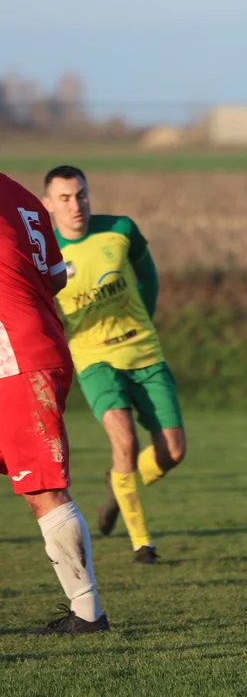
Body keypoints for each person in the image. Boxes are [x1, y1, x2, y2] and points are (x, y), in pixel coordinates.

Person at [42, 166, 185, 565]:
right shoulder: (47, 251)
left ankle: (119, 481)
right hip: (93, 358)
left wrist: (147, 322)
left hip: (144, 352)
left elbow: (148, 277)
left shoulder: (120, 229)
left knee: (173, 451)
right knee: (124, 441)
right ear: (48, 205)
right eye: (66, 198)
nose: (76, 205)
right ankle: (143, 544)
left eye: (82, 195)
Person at [0, 169, 110, 634]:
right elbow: (55, 277)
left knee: (44, 488)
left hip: (15, 356)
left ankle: (87, 613)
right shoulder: (23, 198)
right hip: (38, 341)